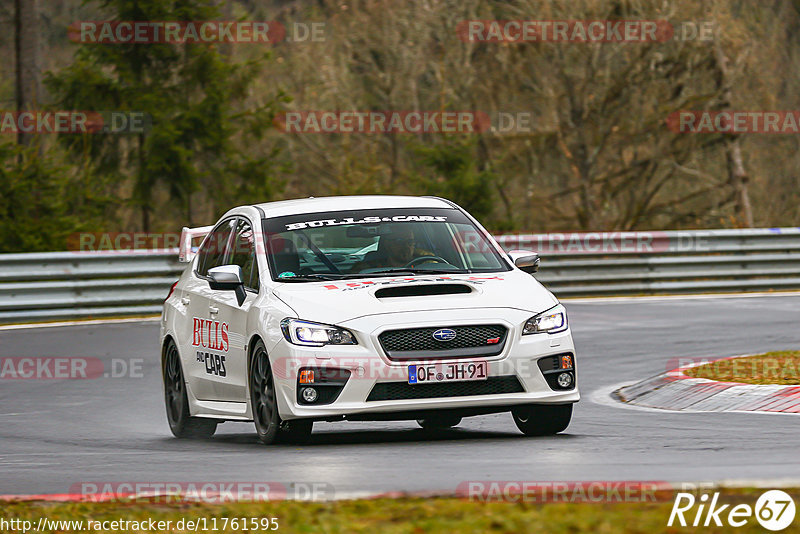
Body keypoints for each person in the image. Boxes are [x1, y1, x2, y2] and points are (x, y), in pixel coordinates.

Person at [351, 225, 434, 272]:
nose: (406, 246)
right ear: (387, 244)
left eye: (410, 241)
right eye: (399, 241)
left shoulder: (428, 266)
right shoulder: (368, 270)